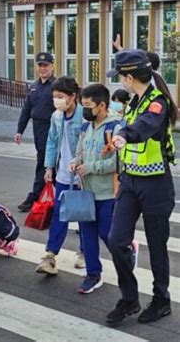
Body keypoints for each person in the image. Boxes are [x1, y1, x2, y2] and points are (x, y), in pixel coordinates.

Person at [106, 49, 177, 325]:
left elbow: (145, 127)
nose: (119, 81)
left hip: (156, 184)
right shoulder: (134, 101)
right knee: (116, 240)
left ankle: (161, 300)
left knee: (157, 246)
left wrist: (124, 135)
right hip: (130, 182)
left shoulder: (157, 102)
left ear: (130, 76)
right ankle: (130, 298)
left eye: (120, 76)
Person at [70, 84, 121, 294]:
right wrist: (75, 162)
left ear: (102, 105)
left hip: (108, 192)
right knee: (87, 235)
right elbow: (80, 152)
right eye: (83, 105)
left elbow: (118, 163)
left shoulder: (115, 129)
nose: (85, 110)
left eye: (89, 106)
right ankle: (93, 274)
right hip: (86, 192)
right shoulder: (85, 127)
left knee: (106, 233)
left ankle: (125, 257)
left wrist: (91, 167)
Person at [36, 76, 85, 275]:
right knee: (59, 214)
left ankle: (84, 252)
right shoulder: (56, 116)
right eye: (54, 96)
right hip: (62, 174)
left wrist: (82, 166)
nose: (57, 100)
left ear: (73, 96)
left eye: (60, 96)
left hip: (82, 176)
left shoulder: (84, 116)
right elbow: (51, 142)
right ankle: (50, 255)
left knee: (84, 216)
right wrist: (49, 167)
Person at [14, 52, 56, 212]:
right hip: (37, 128)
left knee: (47, 163)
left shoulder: (57, 85)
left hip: (52, 129)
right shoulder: (34, 86)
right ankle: (41, 196)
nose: (43, 68)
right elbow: (26, 109)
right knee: (44, 162)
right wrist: (20, 130)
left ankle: (37, 196)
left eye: (46, 65)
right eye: (40, 65)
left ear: (52, 66)